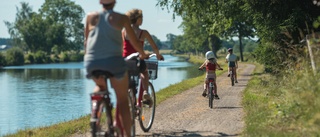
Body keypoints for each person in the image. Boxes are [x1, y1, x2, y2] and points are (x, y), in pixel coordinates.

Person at [83, 0, 148, 136]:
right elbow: (135, 42)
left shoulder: (90, 17)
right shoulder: (122, 18)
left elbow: (86, 42)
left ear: (100, 2)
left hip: (92, 62)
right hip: (114, 62)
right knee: (122, 98)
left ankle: (96, 113)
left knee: (100, 87)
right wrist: (142, 54)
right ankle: (128, 135)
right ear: (114, 2)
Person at [122, 8, 164, 105]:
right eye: (142, 18)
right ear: (138, 19)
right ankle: (145, 92)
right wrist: (158, 55)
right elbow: (155, 47)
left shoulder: (124, 32)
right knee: (144, 73)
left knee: (128, 80)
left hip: (125, 61)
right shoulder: (143, 32)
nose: (143, 20)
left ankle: (130, 100)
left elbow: (121, 48)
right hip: (137, 60)